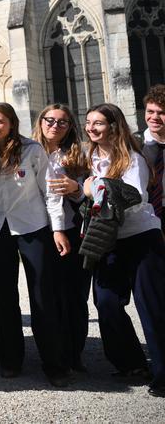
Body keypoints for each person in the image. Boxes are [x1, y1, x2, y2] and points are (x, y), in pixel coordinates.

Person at [0, 102, 69, 386]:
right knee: (5, 297)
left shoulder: (32, 150)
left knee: (41, 295)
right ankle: (10, 359)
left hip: (32, 226)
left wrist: (57, 229)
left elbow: (51, 192)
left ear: (11, 124)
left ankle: (54, 364)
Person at [83, 103, 165, 398]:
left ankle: (163, 374)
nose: (91, 128)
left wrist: (94, 188)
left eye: (98, 123)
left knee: (152, 307)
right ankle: (131, 363)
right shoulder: (92, 157)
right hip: (109, 239)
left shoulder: (133, 158)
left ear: (114, 127)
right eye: (89, 122)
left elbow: (133, 196)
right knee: (106, 302)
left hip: (142, 237)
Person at [33, 103, 91, 373]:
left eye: (62, 122)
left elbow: (86, 196)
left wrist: (76, 188)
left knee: (74, 293)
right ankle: (53, 351)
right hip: (38, 229)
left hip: (71, 229)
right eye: (50, 120)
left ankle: (74, 351)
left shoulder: (78, 155)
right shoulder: (29, 150)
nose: (55, 126)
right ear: (41, 121)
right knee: (47, 292)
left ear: (70, 127)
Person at [140, 84, 165, 222]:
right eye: (150, 111)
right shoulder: (135, 144)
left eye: (161, 113)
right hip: (145, 213)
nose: (154, 117)